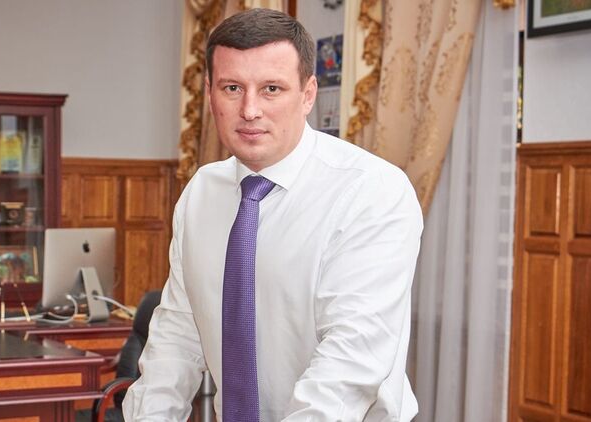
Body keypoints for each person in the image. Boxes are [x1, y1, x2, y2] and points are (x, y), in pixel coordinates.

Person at [124, 8, 422, 421]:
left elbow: (349, 361)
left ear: (308, 94)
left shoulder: (371, 192)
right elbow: (177, 337)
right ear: (209, 94)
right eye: (232, 88)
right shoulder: (200, 194)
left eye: (271, 89)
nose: (250, 110)